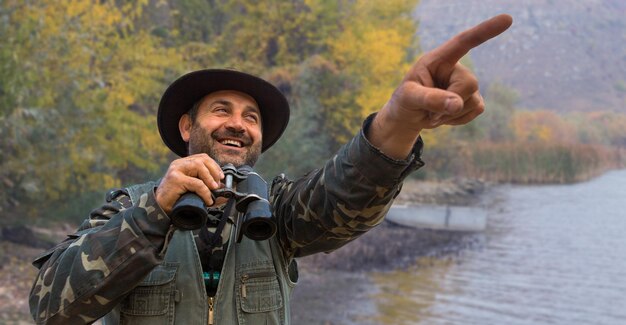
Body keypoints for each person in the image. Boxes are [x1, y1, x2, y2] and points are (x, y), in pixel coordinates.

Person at [29, 14, 513, 325]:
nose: (238, 124)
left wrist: (398, 123)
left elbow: (344, 196)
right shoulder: (129, 207)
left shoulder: (276, 211)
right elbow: (50, 309)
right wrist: (154, 214)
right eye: (221, 110)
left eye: (252, 117)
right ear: (186, 127)